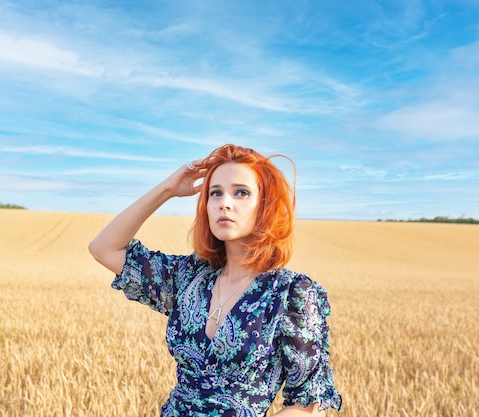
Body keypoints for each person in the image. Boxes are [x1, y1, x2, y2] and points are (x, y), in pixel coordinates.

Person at [89, 144, 342, 416]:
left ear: (265, 206)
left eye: (241, 192)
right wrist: (167, 190)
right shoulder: (188, 277)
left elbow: (308, 404)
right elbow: (104, 249)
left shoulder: (290, 294)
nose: (225, 202)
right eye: (215, 193)